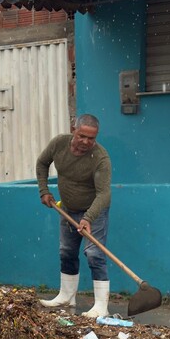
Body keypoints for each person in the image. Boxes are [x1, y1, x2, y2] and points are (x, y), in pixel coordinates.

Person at [35, 114, 112, 318]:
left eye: (91, 138)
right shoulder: (59, 144)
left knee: (94, 254)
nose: (86, 142)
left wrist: (88, 218)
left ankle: (101, 306)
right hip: (68, 209)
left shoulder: (100, 158)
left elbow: (104, 194)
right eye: (82, 136)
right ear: (73, 130)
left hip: (94, 211)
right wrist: (44, 191)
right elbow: (42, 163)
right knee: (66, 252)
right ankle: (67, 296)